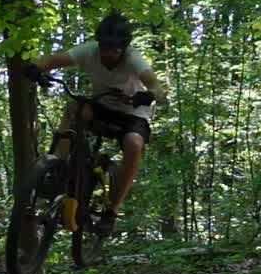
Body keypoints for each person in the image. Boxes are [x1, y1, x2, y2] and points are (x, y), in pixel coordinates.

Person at [25, 12, 167, 233]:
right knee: (74, 108)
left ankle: (112, 211)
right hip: (102, 106)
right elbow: (52, 60)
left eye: (115, 49)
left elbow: (157, 88)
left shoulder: (134, 60)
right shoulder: (89, 51)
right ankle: (59, 167)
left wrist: (149, 95)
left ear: (124, 48)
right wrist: (36, 69)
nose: (108, 54)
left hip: (133, 112)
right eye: (105, 48)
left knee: (134, 145)